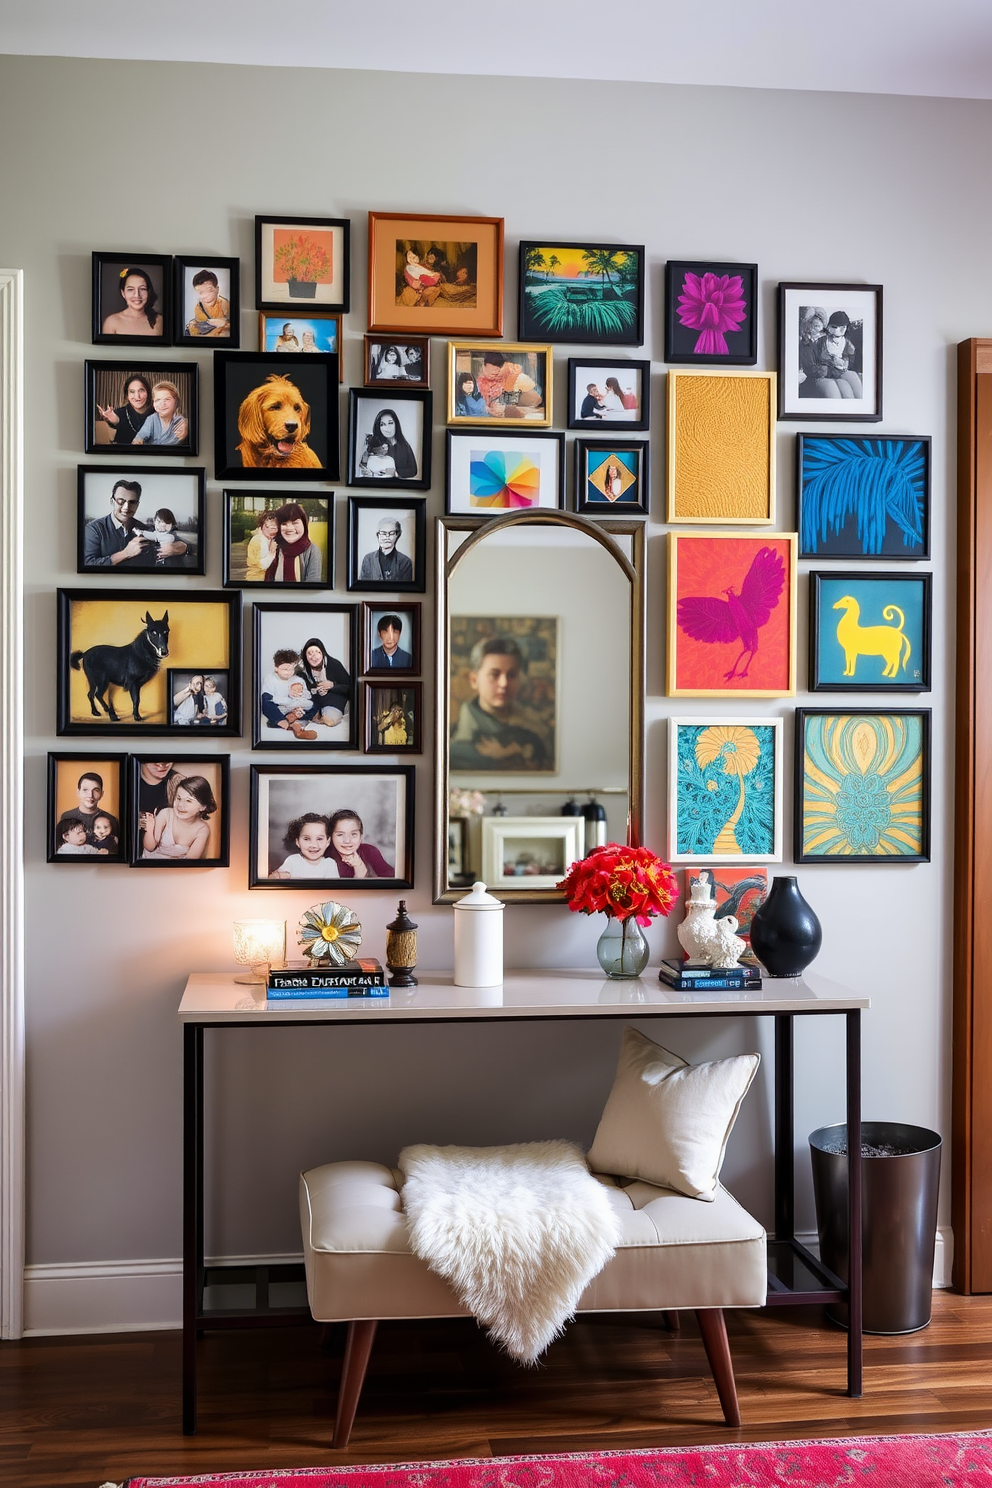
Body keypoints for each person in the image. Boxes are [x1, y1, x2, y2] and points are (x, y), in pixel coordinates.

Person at [449, 636, 549, 772]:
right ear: (474, 680)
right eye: (494, 675)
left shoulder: (537, 730)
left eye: (511, 675)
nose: (504, 684)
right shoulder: (452, 739)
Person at [140, 774, 216, 861]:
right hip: (149, 866)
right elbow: (150, 847)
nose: (180, 805)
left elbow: (191, 860)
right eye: (178, 798)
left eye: (188, 801)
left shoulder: (202, 829)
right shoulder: (166, 814)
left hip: (176, 871)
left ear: (203, 807)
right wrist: (149, 827)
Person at [260, 648, 319, 739]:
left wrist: (301, 694)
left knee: (314, 704)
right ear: (276, 668)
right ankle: (287, 724)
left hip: (296, 708)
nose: (288, 673)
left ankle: (294, 720)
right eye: (284, 669)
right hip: (281, 708)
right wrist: (288, 699)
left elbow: (308, 696)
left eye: (291, 669)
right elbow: (269, 698)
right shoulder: (271, 679)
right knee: (265, 701)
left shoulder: (298, 679)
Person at [56, 769, 120, 847]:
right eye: (85, 790)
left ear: (102, 794)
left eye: (96, 790)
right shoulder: (66, 816)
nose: (90, 795)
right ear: (78, 792)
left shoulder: (111, 820)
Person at [296, 638, 351, 728]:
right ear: (305, 656)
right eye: (309, 653)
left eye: (317, 652)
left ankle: (321, 717)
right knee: (296, 713)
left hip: (333, 701)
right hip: (313, 701)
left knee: (330, 720)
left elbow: (350, 687)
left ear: (322, 652)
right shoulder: (302, 670)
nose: (314, 656)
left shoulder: (334, 664)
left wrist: (333, 685)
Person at [268, 813, 340, 880]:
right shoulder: (292, 861)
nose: (314, 845)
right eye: (306, 839)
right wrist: (278, 876)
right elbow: (274, 878)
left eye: (319, 839)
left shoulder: (329, 864)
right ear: (297, 842)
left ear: (328, 842)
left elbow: (334, 889)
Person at [264, 502, 322, 584]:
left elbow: (312, 584)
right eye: (284, 524)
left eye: (295, 523)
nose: (289, 528)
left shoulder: (312, 551)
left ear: (304, 524)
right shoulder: (277, 548)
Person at [327, 809, 393, 879]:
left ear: (361, 836)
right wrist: (359, 869)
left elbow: (393, 881)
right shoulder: (326, 857)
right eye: (340, 834)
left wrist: (360, 865)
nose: (347, 840)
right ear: (331, 837)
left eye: (353, 834)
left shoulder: (370, 851)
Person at [474, 351, 541, 418]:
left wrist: (505, 408)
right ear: (484, 366)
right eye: (490, 367)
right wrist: (487, 409)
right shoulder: (476, 384)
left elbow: (535, 399)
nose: (494, 371)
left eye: (498, 368)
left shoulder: (510, 378)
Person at [101, 266, 162, 337]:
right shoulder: (111, 322)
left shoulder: (159, 321)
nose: (137, 295)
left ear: (148, 291)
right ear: (123, 293)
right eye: (130, 289)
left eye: (142, 289)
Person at [815, 311, 863, 399]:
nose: (839, 330)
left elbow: (848, 356)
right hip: (824, 373)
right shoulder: (822, 340)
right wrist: (833, 359)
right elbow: (817, 357)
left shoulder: (846, 342)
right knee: (836, 390)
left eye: (843, 327)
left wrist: (846, 361)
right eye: (835, 327)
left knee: (853, 379)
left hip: (839, 371)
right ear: (829, 327)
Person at [95, 373, 154, 445]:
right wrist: (114, 420)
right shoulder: (121, 412)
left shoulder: (157, 412)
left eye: (141, 390)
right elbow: (117, 420)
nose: (137, 396)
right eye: (132, 392)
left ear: (148, 392)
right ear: (127, 396)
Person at [358, 409, 417, 480]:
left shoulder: (405, 446)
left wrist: (395, 472)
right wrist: (368, 473)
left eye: (390, 423)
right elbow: (362, 466)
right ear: (378, 427)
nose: (387, 428)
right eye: (382, 424)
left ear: (396, 424)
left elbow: (413, 470)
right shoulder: (373, 443)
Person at [359, 517, 414, 583]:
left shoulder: (405, 562)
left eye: (391, 533)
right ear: (378, 535)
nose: (387, 537)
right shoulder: (368, 559)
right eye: (383, 533)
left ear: (397, 535)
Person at [132, 380, 188, 446]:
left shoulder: (181, 422)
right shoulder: (152, 419)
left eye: (167, 399)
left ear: (176, 401)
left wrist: (187, 426)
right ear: (153, 403)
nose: (162, 404)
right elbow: (140, 437)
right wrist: (138, 441)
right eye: (158, 400)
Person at [186, 268, 230, 338]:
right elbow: (199, 323)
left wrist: (224, 323)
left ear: (217, 289)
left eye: (209, 290)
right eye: (201, 292)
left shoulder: (223, 304)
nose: (206, 295)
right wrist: (194, 324)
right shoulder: (199, 307)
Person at [244, 510, 279, 583]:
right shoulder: (258, 540)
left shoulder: (269, 539)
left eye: (275, 527)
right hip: (257, 579)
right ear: (261, 527)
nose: (272, 530)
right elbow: (263, 565)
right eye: (268, 527)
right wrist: (272, 554)